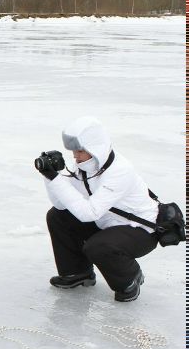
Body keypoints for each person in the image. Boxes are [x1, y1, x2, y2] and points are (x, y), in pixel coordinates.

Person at [35, 116, 158, 302]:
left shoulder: (120, 171)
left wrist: (56, 179)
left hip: (140, 231)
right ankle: (77, 272)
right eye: (74, 151)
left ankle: (130, 277)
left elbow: (88, 213)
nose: (75, 156)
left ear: (95, 148)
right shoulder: (86, 166)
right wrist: (51, 176)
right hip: (108, 224)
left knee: (99, 247)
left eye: (80, 150)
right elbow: (61, 204)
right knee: (57, 216)